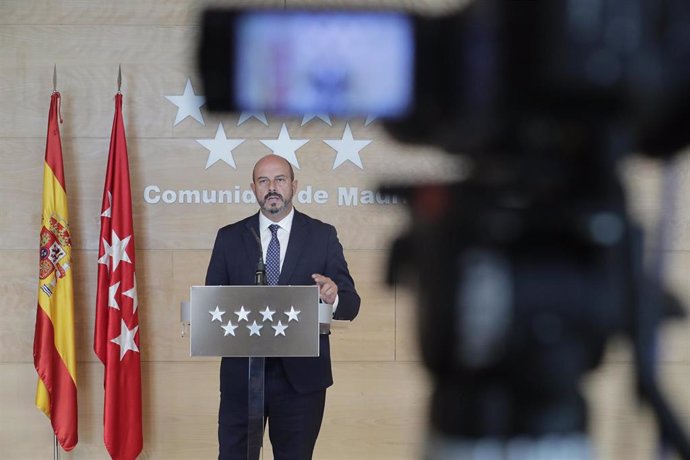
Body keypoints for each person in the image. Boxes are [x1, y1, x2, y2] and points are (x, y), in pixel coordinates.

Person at [205, 154, 361, 460]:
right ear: (253, 188)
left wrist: (334, 297)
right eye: (263, 181)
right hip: (242, 376)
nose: (272, 187)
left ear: (294, 186)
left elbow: (351, 303)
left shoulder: (322, 235)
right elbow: (212, 303)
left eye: (280, 179)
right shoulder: (230, 237)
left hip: (301, 381)